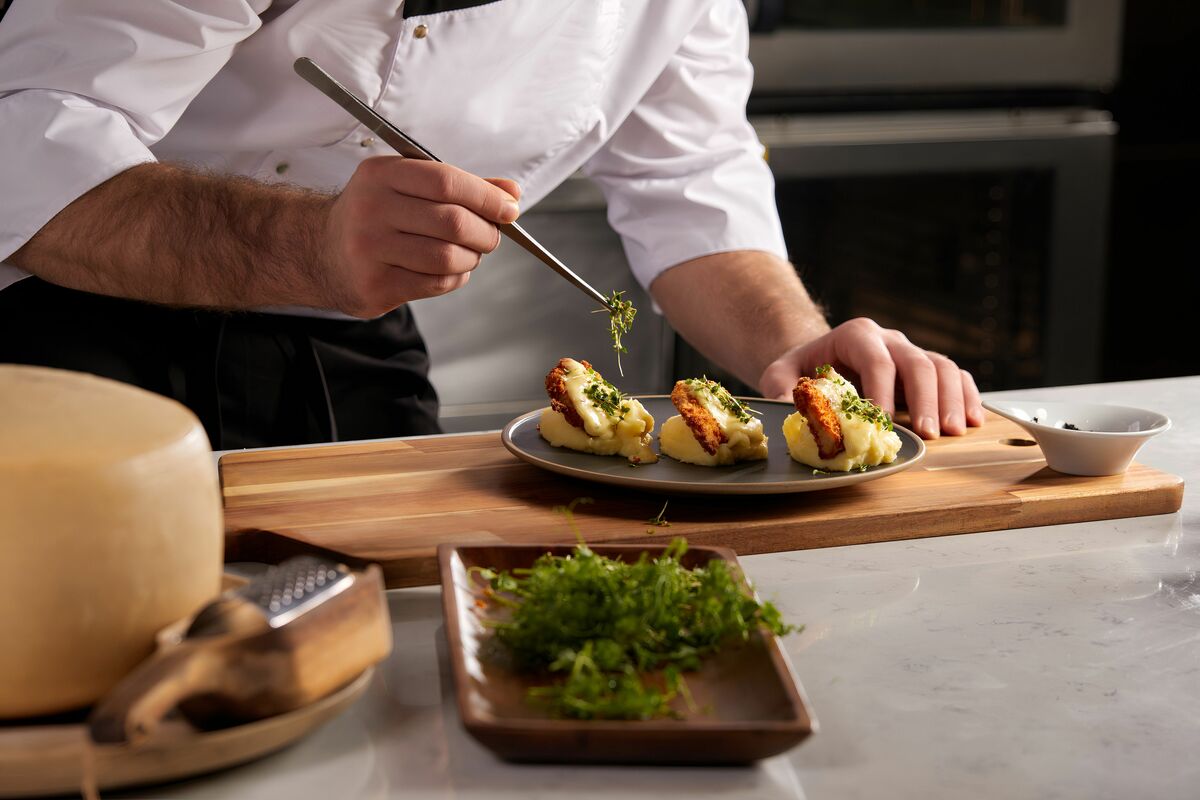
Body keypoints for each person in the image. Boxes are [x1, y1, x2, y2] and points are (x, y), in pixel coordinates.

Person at [0, 0, 983, 449]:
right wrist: (307, 245)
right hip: (74, 315)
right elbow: (30, 140)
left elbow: (688, 176)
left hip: (348, 339)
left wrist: (793, 346)